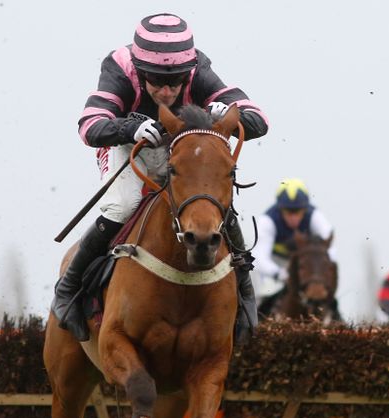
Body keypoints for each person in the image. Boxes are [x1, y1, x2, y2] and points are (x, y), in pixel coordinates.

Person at [52, 13, 268, 342]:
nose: (167, 92)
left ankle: (245, 293)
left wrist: (229, 113)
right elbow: (89, 126)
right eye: (156, 81)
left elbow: (259, 119)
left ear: (188, 72)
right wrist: (129, 128)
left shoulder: (199, 69)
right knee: (123, 205)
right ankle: (67, 290)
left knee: (214, 206)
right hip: (129, 148)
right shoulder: (119, 68)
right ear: (140, 72)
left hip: (179, 151)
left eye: (176, 82)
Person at [255, 178, 336, 299]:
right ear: (280, 209)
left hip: (305, 265)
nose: (293, 217)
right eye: (288, 212)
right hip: (276, 263)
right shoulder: (267, 221)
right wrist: (278, 273)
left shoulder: (315, 216)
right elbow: (259, 257)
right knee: (265, 295)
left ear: (305, 209)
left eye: (298, 211)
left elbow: (330, 250)